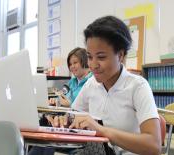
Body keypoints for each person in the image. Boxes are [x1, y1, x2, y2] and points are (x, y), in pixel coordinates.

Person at [69, 16, 162, 155]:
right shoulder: (91, 84)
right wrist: (63, 120)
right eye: (89, 57)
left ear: (120, 55)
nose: (93, 65)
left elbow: (153, 146)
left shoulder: (138, 86)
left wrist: (102, 131)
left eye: (101, 57)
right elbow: (74, 115)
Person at [29, 47, 92, 155]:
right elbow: (62, 97)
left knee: (47, 138)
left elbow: (87, 109)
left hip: (77, 124)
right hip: (63, 120)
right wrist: (56, 102)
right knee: (42, 133)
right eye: (70, 64)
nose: (72, 67)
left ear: (85, 61)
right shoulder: (72, 82)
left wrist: (70, 105)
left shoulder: (92, 82)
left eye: (75, 63)